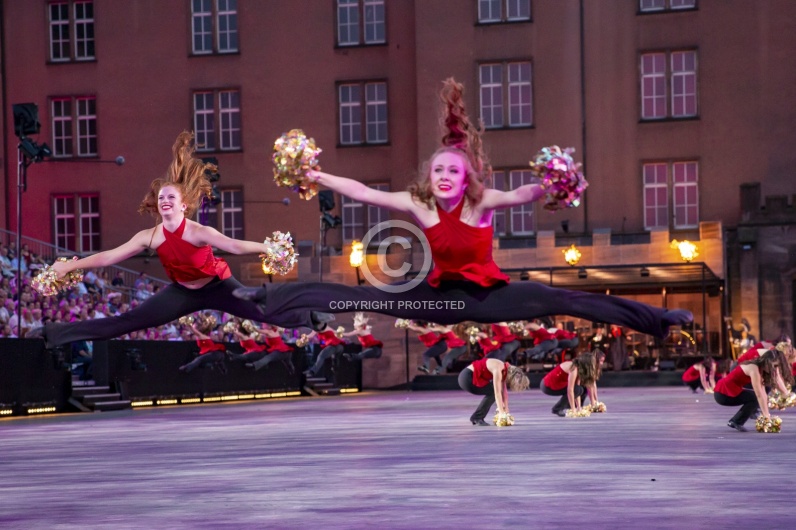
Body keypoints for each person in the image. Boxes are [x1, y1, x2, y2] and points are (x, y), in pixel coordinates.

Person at [236, 79, 693, 336]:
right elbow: (362, 191)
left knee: (563, 298)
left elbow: (523, 194)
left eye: (452, 171)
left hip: (488, 295)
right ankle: (267, 297)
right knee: (354, 295)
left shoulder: (483, 202)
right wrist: (316, 176)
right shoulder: (420, 203)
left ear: (466, 177)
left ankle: (661, 318)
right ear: (428, 176)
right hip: (440, 298)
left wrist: (555, 182)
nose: (444, 177)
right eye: (437, 171)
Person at [26, 132, 325, 348]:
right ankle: (53, 333)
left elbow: (233, 246)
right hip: (183, 292)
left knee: (264, 311)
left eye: (171, 197)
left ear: (184, 205)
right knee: (127, 321)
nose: (165, 201)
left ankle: (312, 316)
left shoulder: (197, 232)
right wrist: (67, 268)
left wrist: (267, 247)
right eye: (161, 198)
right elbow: (108, 257)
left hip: (219, 287)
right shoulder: (150, 236)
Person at [714, 349, 793, 432]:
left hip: (730, 391)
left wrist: (767, 415)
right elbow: (759, 394)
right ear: (767, 362)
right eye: (773, 366)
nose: (774, 369)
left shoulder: (761, 369)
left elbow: (764, 393)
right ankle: (736, 421)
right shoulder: (754, 369)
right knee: (755, 398)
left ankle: (736, 421)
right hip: (722, 393)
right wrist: (766, 417)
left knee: (757, 396)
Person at [458, 357, 529, 426]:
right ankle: (477, 417)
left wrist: (506, 410)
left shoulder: (504, 369)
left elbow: (504, 392)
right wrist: (502, 413)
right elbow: (497, 393)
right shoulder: (498, 369)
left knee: (492, 391)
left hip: (468, 376)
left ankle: (477, 417)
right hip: (467, 378)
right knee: (492, 392)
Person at [540, 350, 605, 417]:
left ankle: (572, 406)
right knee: (576, 389)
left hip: (559, 384)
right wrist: (574, 411)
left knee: (580, 389)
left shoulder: (580, 369)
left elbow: (579, 388)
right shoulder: (574, 368)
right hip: (547, 385)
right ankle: (557, 409)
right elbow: (570, 390)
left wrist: (579, 408)